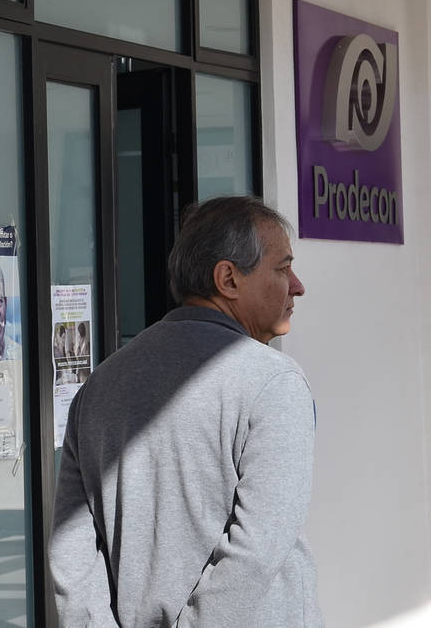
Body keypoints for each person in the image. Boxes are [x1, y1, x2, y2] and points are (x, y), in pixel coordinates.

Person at [50, 196, 321, 627]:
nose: (297, 285)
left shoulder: (101, 384)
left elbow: (72, 548)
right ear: (228, 278)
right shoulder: (274, 382)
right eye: (282, 268)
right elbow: (258, 549)